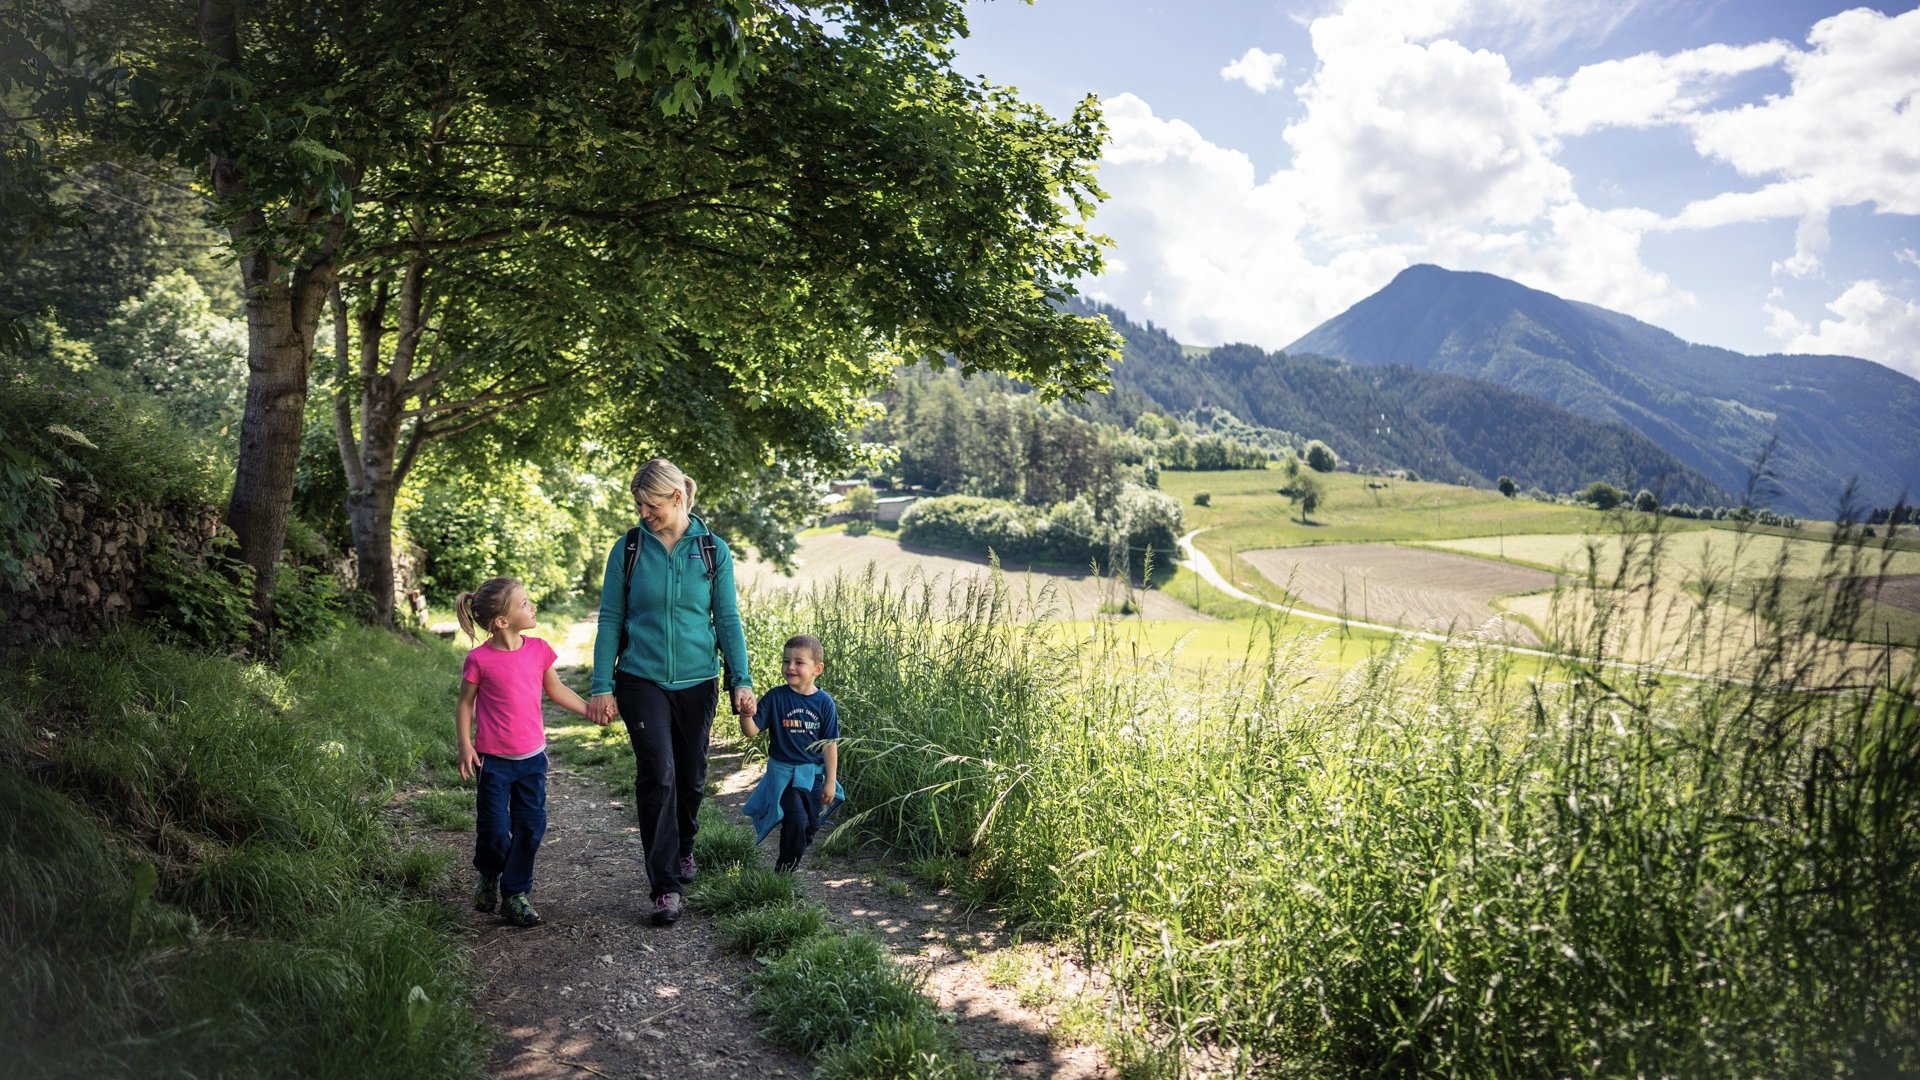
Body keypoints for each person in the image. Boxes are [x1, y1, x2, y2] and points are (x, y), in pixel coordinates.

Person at [588, 458, 755, 926]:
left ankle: (684, 847)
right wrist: (603, 685)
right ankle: (664, 886)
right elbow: (611, 620)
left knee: (691, 776)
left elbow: (727, 620)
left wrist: (740, 678)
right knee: (657, 774)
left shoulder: (711, 550)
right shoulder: (628, 550)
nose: (643, 512)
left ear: (677, 498)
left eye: (650, 504)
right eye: (639, 504)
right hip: (641, 679)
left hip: (698, 681)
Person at [455, 576, 592, 928]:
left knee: (531, 827)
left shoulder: (539, 650)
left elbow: (558, 690)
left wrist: (590, 709)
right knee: (494, 833)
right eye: (524, 603)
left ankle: (515, 893)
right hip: (494, 764)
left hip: (532, 761)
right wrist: (465, 744)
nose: (532, 607)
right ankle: (488, 875)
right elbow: (465, 705)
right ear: (501, 621)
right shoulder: (479, 660)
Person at [740, 634, 842, 872]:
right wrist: (746, 714)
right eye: (786, 661)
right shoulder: (776, 697)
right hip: (783, 776)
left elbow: (829, 744)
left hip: (813, 776)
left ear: (818, 669)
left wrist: (830, 780)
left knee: (811, 823)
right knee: (795, 819)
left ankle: (795, 848)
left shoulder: (824, 703)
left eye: (798, 662)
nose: (790, 667)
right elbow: (752, 731)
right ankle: (783, 871)